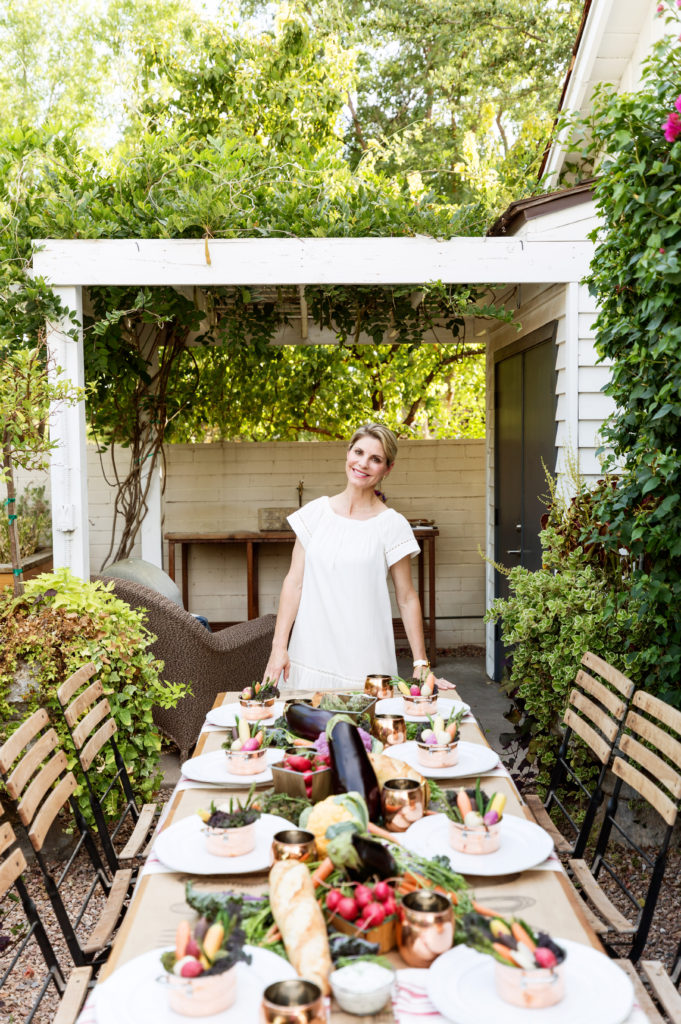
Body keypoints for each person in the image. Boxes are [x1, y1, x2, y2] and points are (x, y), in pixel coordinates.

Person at [263, 423, 453, 692]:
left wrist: (420, 662)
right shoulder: (315, 514)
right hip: (308, 657)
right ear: (348, 453)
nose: (363, 463)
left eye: (375, 459)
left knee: (367, 733)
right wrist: (278, 648)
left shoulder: (391, 524)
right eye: (359, 452)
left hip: (366, 663)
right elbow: (294, 583)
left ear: (388, 468)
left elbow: (407, 596)